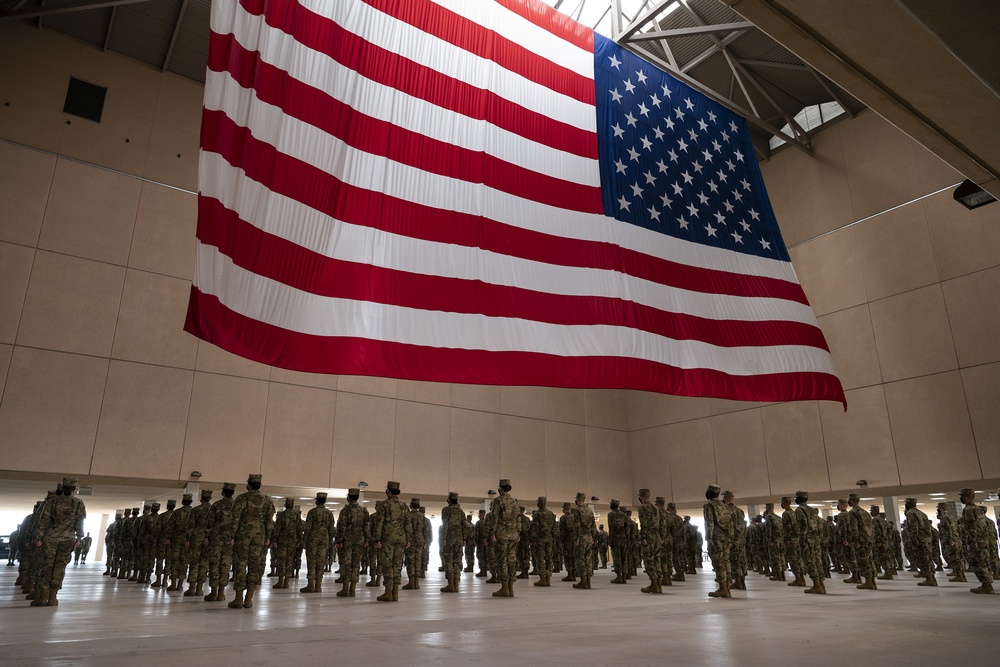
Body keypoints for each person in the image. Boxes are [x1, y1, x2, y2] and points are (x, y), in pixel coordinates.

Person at [30, 477, 86, 607]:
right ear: (74, 489)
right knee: (60, 568)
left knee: (47, 567)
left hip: (50, 539)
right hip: (67, 540)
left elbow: (44, 521)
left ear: (62, 488)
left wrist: (38, 538)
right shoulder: (79, 503)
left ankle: (43, 598)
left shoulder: (51, 502)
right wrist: (79, 538)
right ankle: (52, 598)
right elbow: (80, 522)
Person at [228, 474, 275, 609]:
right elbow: (269, 520)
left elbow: (235, 518)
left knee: (240, 565)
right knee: (255, 566)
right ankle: (249, 599)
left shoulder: (242, 498)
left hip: (243, 535)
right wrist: (268, 536)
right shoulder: (266, 500)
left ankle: (238, 599)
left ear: (248, 485)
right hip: (259, 536)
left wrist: (232, 535)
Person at [372, 481, 410, 602]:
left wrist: (377, 539)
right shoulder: (404, 505)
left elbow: (379, 523)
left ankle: (388, 592)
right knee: (397, 564)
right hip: (401, 538)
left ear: (388, 491)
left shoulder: (384, 505)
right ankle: (396, 593)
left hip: (388, 538)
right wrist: (408, 539)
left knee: (387, 564)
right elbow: (408, 525)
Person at [959, 488, 994, 594]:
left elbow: (971, 527)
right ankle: (987, 583)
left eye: (962, 496)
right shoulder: (978, 509)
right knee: (984, 562)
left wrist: (973, 541)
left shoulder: (969, 509)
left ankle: (987, 585)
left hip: (976, 541)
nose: (961, 498)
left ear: (966, 496)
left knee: (977, 563)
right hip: (983, 540)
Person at [489, 478, 520, 598]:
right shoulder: (514, 501)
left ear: (500, 489)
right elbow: (518, 518)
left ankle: (504, 588)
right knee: (512, 560)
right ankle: (511, 589)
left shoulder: (498, 500)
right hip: (513, 535)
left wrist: (492, 533)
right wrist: (518, 533)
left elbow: (494, 518)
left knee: (502, 561)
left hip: (502, 535)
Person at [703, 484, 733, 598]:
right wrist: (730, 539)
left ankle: (722, 588)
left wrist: (709, 538)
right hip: (726, 538)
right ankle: (727, 588)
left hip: (716, 538)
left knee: (718, 563)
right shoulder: (725, 506)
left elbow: (709, 522)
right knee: (726, 562)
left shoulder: (709, 505)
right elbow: (730, 524)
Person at [300, 492, 333, 595]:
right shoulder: (329, 513)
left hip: (313, 539)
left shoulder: (312, 512)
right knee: (320, 562)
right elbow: (331, 529)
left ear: (316, 501)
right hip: (324, 540)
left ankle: (310, 585)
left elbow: (308, 528)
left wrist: (304, 541)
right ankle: (318, 586)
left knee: (311, 561)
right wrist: (330, 540)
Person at [795, 491, 827, 594]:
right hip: (816, 539)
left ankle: (816, 585)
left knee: (810, 562)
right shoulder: (813, 510)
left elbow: (801, 527)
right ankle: (821, 585)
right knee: (817, 561)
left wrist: (802, 540)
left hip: (807, 540)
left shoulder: (799, 510)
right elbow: (820, 525)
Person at [845, 493, 876, 590]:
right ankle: (872, 581)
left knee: (863, 561)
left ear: (851, 501)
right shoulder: (865, 512)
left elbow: (853, 528)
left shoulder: (853, 512)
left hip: (860, 540)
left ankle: (868, 582)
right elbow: (871, 527)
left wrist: (855, 540)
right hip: (868, 539)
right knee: (869, 560)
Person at [904, 497, 936, 587]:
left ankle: (929, 579)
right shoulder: (922, 513)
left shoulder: (910, 513)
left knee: (923, 559)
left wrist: (914, 539)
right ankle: (931, 577)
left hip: (919, 540)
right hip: (926, 539)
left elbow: (913, 527)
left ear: (908, 504)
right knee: (928, 559)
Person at [272, 497, 302, 590]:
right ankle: (287, 582)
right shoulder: (297, 515)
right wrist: (299, 541)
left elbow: (277, 528)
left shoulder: (281, 515)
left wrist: (274, 540)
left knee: (281, 560)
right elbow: (299, 529)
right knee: (290, 561)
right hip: (293, 541)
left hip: (282, 540)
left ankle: (280, 582)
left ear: (285, 504)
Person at [637, 489, 662, 594]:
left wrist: (643, 537)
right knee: (657, 561)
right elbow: (660, 523)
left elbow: (644, 523)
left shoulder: (642, 508)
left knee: (649, 561)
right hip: (656, 537)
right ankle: (659, 585)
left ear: (641, 496)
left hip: (649, 537)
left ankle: (654, 585)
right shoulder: (656, 508)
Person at [439, 492, 466, 593]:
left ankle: (450, 585)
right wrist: (464, 538)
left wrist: (444, 538)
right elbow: (464, 525)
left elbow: (445, 524)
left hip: (450, 538)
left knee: (449, 560)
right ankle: (456, 585)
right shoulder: (461, 511)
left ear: (448, 500)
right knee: (457, 561)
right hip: (459, 538)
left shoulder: (446, 510)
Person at [571, 492, 597, 590]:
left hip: (581, 538)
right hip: (589, 538)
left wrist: (577, 538)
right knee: (588, 560)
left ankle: (583, 581)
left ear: (577, 500)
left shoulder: (577, 511)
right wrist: (593, 538)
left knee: (580, 560)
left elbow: (577, 526)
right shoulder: (590, 511)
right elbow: (593, 526)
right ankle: (588, 582)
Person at [723, 491, 747, 590]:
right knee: (742, 560)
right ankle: (742, 582)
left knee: (734, 561)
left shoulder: (726, 511)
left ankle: (737, 582)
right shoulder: (740, 511)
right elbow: (743, 526)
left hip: (733, 540)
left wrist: (729, 540)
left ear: (726, 498)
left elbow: (728, 527)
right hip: (741, 539)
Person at [531, 496, 556, 587]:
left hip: (540, 540)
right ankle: (548, 578)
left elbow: (535, 528)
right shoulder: (551, 513)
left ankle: (542, 578)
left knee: (540, 558)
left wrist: (534, 540)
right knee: (549, 558)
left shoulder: (537, 514)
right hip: (549, 539)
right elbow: (554, 528)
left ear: (539, 503)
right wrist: (554, 539)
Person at [402, 498, 425, 590]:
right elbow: (424, 528)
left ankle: (411, 582)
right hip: (420, 539)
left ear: (410, 506)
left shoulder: (408, 515)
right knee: (418, 560)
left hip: (411, 539)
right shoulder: (422, 516)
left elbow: (406, 528)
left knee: (410, 560)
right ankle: (417, 582)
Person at [607, 499, 628, 584]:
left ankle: (619, 576)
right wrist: (627, 537)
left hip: (615, 539)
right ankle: (624, 577)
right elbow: (627, 527)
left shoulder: (611, 514)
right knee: (624, 557)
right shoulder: (623, 514)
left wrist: (610, 540)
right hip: (623, 538)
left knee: (617, 558)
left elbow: (611, 528)